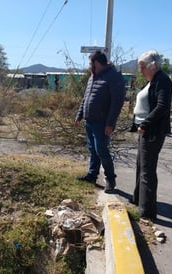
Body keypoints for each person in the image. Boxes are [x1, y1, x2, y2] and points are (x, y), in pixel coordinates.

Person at [74, 50, 125, 194]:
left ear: (96, 63)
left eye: (90, 63)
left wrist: (110, 123)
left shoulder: (113, 76)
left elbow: (117, 102)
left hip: (102, 123)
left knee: (101, 150)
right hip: (90, 121)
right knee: (92, 150)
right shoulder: (93, 77)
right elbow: (86, 98)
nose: (89, 66)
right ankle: (92, 175)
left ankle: (110, 179)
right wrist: (79, 115)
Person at [131, 50, 172, 220]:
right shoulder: (153, 80)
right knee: (141, 165)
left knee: (147, 170)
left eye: (142, 67)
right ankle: (138, 200)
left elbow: (162, 106)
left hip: (152, 131)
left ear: (153, 66)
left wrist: (145, 124)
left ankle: (147, 211)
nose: (140, 71)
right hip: (145, 130)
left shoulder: (162, 80)